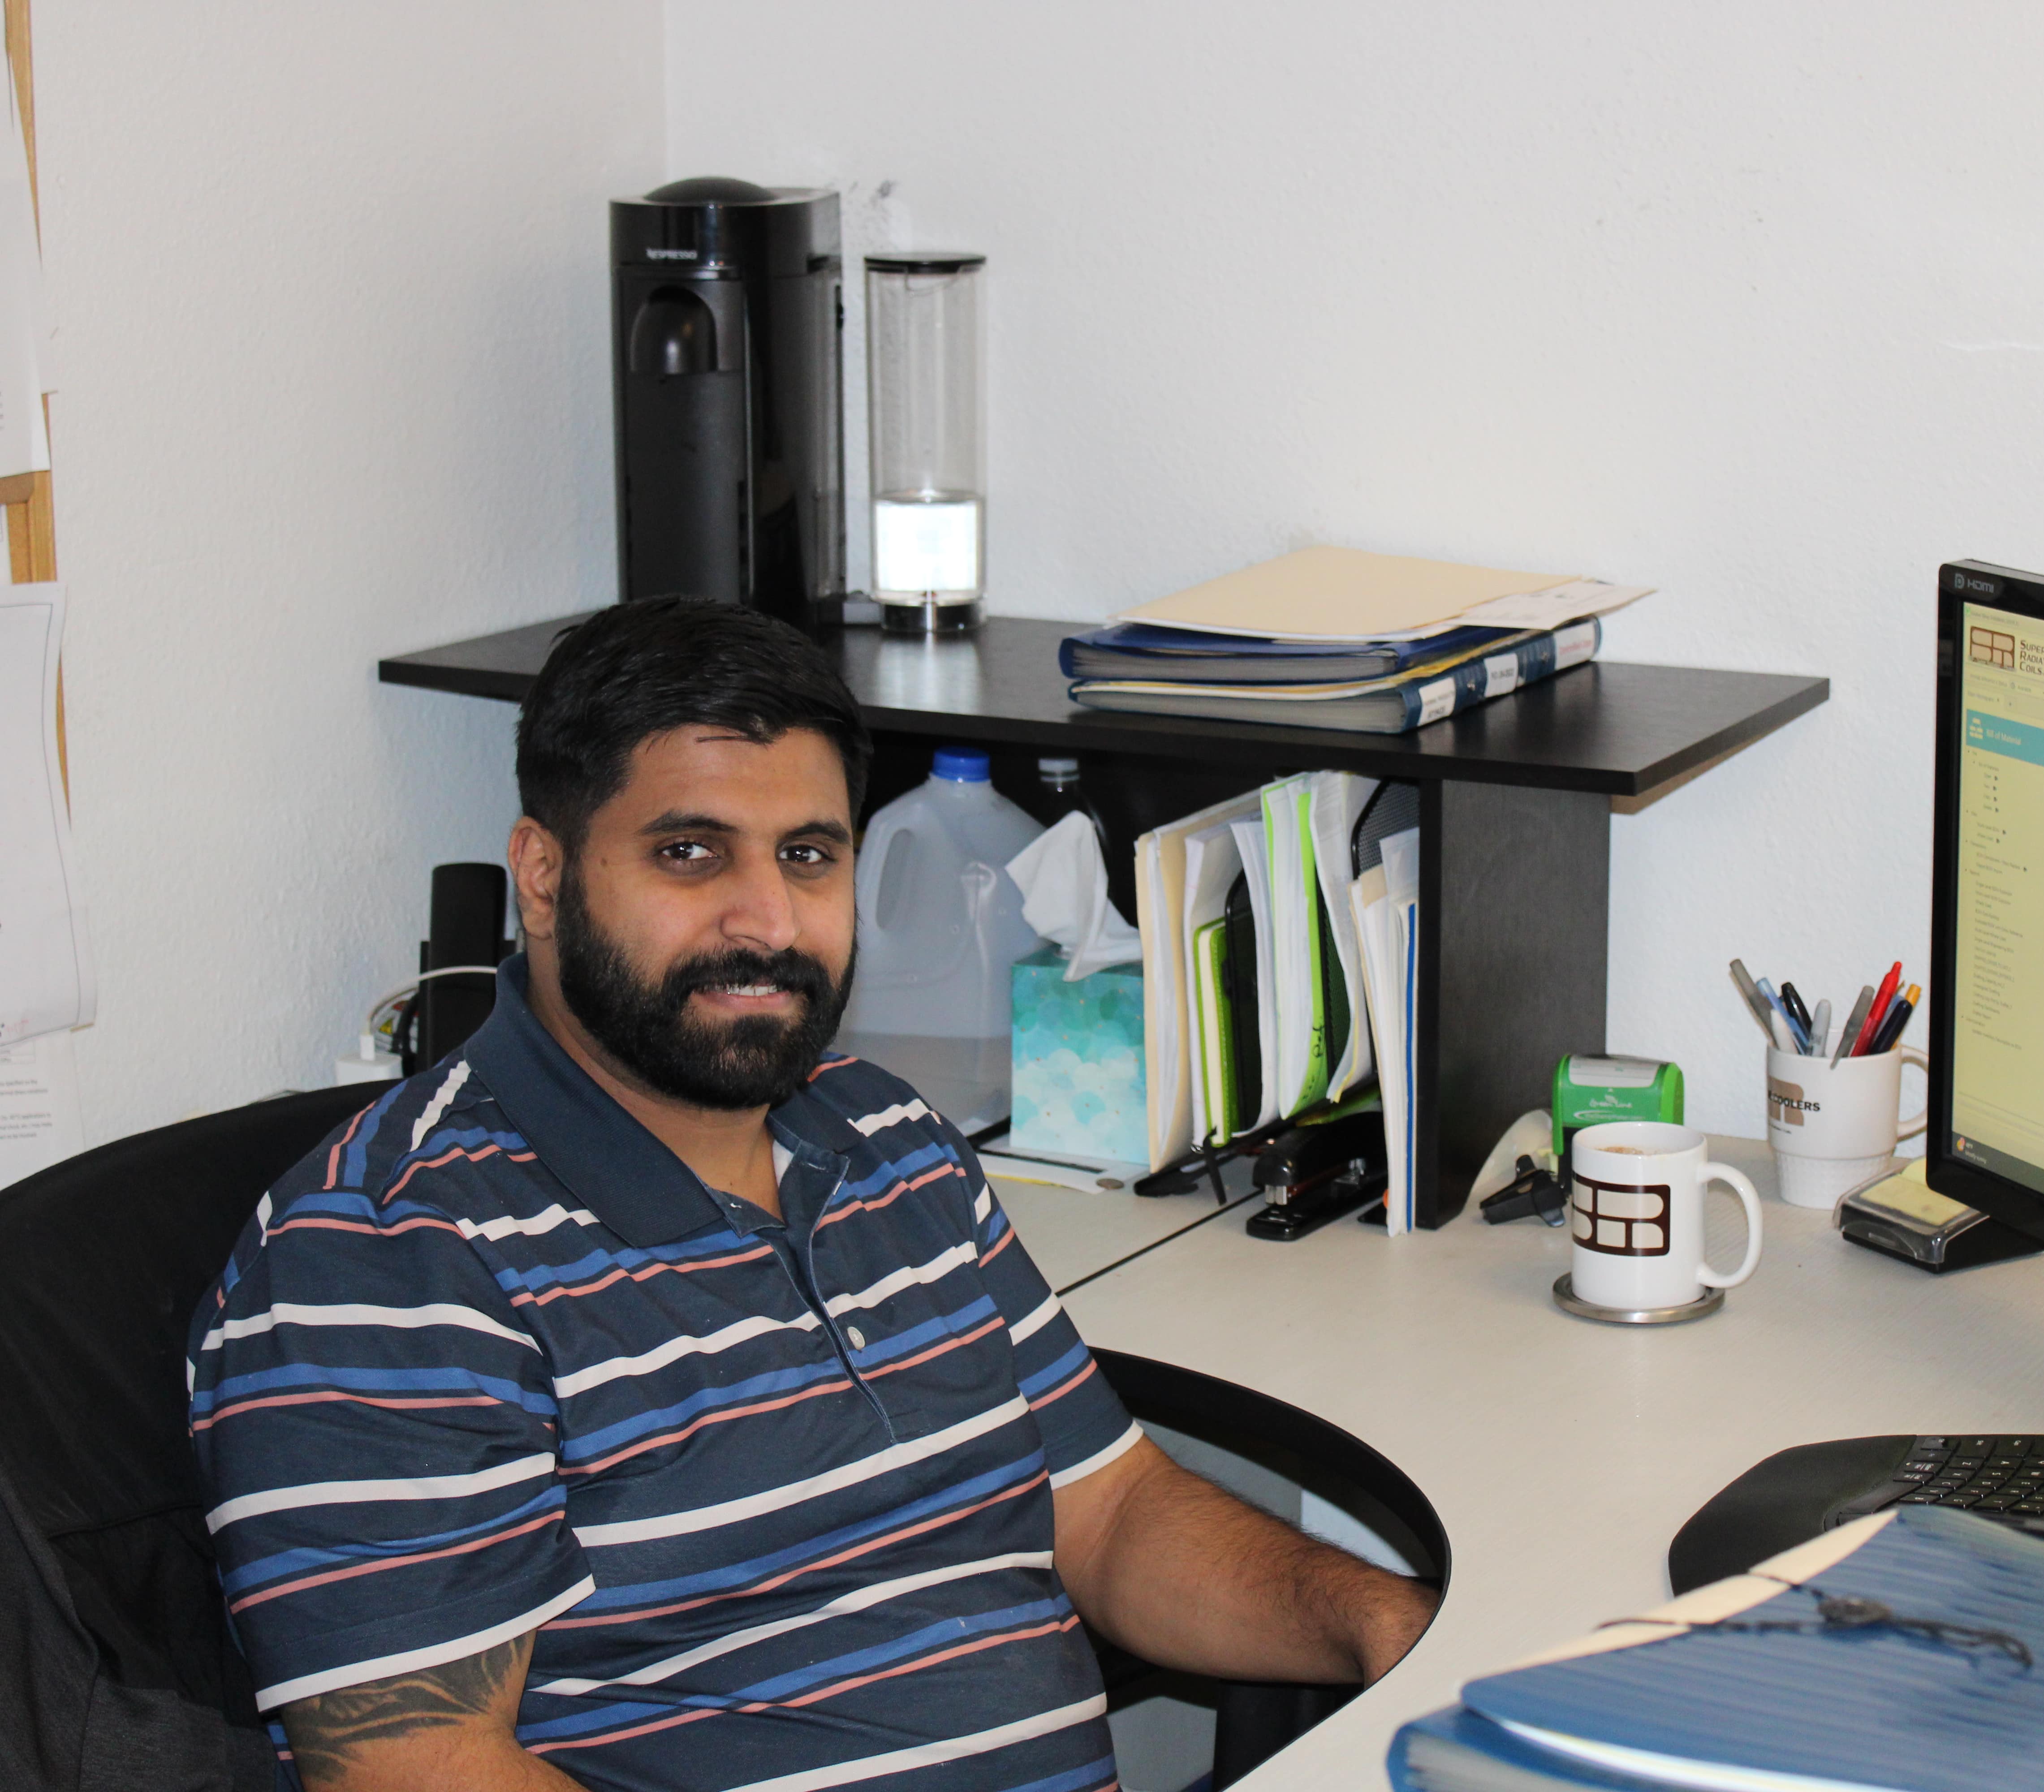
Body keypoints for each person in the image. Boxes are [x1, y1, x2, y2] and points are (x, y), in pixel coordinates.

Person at [190, 599, 1437, 1792]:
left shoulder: (888, 1137)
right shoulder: (385, 1257)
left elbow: (1108, 1514)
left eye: (809, 855)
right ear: (543, 873)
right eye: (690, 854)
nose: (768, 919)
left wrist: (1381, 1625)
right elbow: (419, 1769)